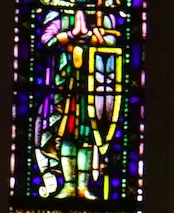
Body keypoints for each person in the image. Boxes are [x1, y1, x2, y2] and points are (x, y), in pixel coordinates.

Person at [34, 1, 125, 199]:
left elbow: (114, 42)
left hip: (93, 90)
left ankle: (83, 188)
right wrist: (71, 35)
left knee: (87, 138)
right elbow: (46, 41)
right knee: (65, 136)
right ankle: (68, 186)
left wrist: (97, 37)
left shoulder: (103, 17)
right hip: (65, 88)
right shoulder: (61, 17)